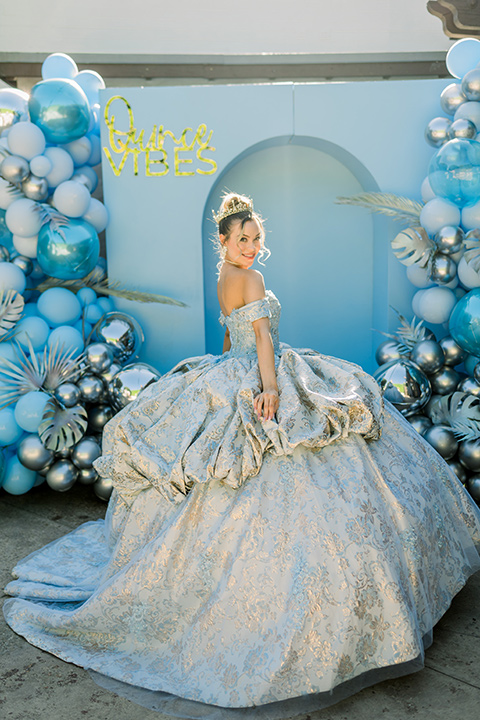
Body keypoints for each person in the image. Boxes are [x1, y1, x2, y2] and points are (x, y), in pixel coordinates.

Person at [3, 192, 480, 718]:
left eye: (257, 239)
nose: (253, 247)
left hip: (228, 370)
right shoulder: (249, 279)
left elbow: (235, 334)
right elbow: (262, 343)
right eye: (243, 239)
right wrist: (271, 390)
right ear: (225, 242)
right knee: (296, 449)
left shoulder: (226, 276)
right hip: (258, 376)